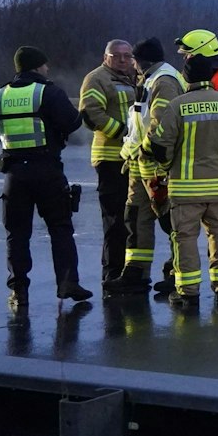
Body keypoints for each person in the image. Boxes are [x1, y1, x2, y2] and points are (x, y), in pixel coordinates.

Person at [0, 46, 92, 323]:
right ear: (39, 67)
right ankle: (67, 284)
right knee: (60, 229)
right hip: (48, 170)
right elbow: (72, 122)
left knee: (17, 234)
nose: (48, 69)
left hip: (15, 175)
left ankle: (19, 292)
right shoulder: (48, 92)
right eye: (45, 65)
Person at [147, 56, 218, 310]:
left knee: (185, 239)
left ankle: (188, 293)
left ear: (186, 76)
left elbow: (160, 146)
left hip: (185, 190)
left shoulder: (177, 106)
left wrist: (168, 165)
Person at [115, 37, 183, 294]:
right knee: (136, 218)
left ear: (140, 60)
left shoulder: (164, 81)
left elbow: (161, 123)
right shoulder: (150, 79)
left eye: (133, 59)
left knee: (170, 221)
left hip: (157, 166)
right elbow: (139, 122)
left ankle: (178, 273)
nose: (131, 65)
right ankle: (135, 272)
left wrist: (147, 149)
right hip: (140, 164)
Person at [77, 39, 137, 290]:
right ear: (106, 57)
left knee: (133, 219)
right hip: (110, 158)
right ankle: (111, 273)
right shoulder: (97, 78)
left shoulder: (134, 78)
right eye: (117, 56)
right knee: (115, 220)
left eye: (127, 55)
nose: (123, 60)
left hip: (133, 158)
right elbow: (91, 113)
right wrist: (123, 133)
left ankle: (130, 272)